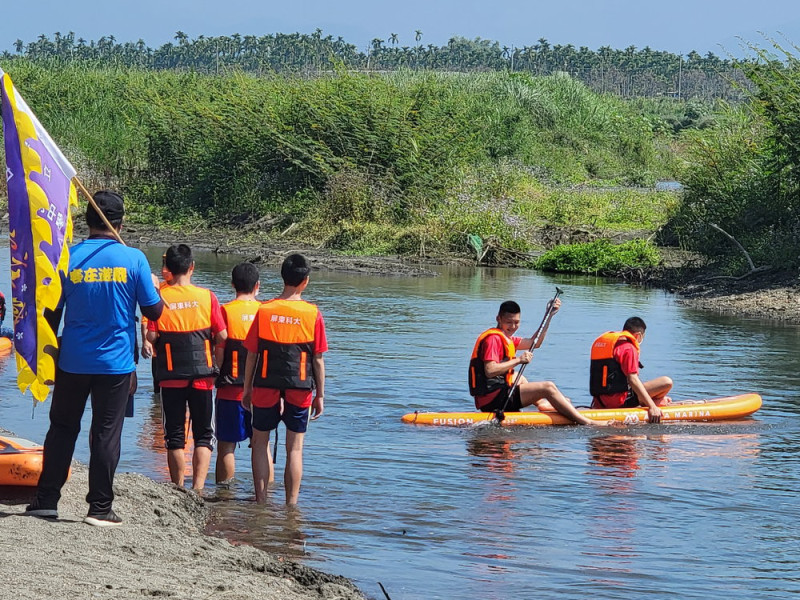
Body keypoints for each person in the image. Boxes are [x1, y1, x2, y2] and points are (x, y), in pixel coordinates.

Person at [25, 190, 164, 526]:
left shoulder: (66, 259)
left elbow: (50, 316)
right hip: (115, 365)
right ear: (121, 221)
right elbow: (154, 311)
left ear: (86, 220)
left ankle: (47, 500)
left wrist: (47, 358)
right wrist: (155, 288)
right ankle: (100, 507)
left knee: (61, 429)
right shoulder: (134, 260)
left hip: (72, 360)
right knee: (105, 433)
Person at [242, 253, 327, 505]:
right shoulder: (313, 314)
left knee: (259, 443)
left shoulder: (264, 310)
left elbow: (251, 355)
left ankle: (261, 501)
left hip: (265, 384)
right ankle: (291, 505)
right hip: (300, 387)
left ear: (283, 277)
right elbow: (318, 360)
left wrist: (247, 388)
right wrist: (320, 394)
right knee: (295, 448)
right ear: (306, 281)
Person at [146, 244, 227, 490]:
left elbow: (150, 336)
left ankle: (178, 486)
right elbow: (222, 335)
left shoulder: (159, 298)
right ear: (192, 267)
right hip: (203, 375)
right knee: (204, 434)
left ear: (168, 269)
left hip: (171, 376)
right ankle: (198, 489)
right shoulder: (207, 296)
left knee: (174, 436)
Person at [468, 299, 602, 426]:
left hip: (495, 394)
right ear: (499, 319)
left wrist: (548, 315)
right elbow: (490, 370)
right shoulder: (493, 339)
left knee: (519, 378)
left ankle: (543, 404)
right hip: (493, 400)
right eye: (509, 322)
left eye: (517, 322)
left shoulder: (507, 338)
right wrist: (519, 360)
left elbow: (534, 343)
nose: (513, 326)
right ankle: (586, 422)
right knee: (547, 387)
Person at [214, 262, 262, 485]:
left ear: (233, 284)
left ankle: (224, 495)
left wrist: (216, 374)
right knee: (262, 445)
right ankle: (264, 496)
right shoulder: (265, 311)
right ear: (257, 286)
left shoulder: (225, 310)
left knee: (226, 445)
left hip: (231, 390)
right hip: (262, 392)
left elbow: (220, 352)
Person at [589, 316, 672, 424]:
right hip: (619, 402)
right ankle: (654, 403)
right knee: (666, 382)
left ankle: (654, 401)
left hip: (599, 402)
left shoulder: (609, 344)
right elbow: (633, 379)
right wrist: (652, 406)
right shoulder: (628, 348)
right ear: (638, 335)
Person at [141, 253, 173, 394]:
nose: (164, 270)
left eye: (168, 265)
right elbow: (145, 320)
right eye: (163, 265)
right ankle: (156, 414)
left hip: (177, 352)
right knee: (158, 391)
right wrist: (145, 342)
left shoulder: (193, 293)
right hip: (158, 352)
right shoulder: (157, 290)